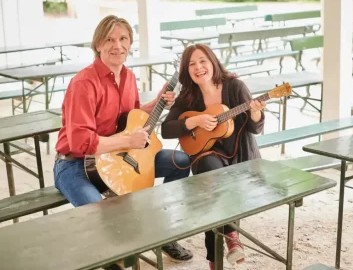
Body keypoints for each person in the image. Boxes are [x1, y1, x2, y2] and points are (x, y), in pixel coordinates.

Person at [53, 15, 193, 270]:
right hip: (76, 166)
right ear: (97, 44)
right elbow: (80, 141)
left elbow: (128, 118)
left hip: (118, 157)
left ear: (130, 43)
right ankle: (114, 264)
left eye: (123, 39)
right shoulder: (83, 83)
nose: (117, 45)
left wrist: (156, 103)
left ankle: (161, 230)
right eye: (109, 39)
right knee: (103, 215)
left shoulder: (127, 76)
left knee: (180, 161)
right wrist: (128, 140)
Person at [161, 44, 266, 269]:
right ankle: (231, 237)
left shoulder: (235, 87)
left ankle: (214, 260)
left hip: (240, 156)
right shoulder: (188, 96)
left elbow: (255, 129)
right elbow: (166, 129)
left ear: (213, 62)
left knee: (215, 191)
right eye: (192, 64)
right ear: (186, 71)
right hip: (206, 158)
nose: (198, 67)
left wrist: (255, 111)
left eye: (203, 61)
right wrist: (194, 121)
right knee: (211, 173)